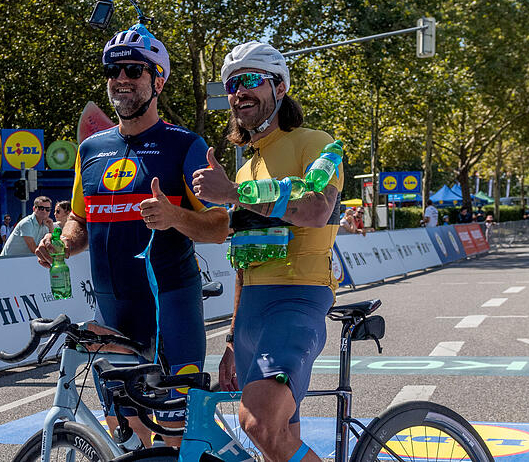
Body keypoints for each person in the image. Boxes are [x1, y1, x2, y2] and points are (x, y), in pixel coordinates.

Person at [34, 23, 228, 447]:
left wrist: (174, 215)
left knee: (177, 436)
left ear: (158, 81)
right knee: (126, 433)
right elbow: (82, 222)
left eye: (134, 71)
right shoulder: (91, 149)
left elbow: (220, 227)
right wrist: (63, 243)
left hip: (171, 306)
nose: (121, 80)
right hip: (114, 310)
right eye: (113, 71)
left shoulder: (185, 145)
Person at [191, 41, 343, 462]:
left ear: (279, 87)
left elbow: (315, 209)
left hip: (297, 299)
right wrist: (229, 341)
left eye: (252, 80)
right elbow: (243, 260)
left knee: (257, 424)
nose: (240, 91)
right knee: (276, 444)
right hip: (252, 313)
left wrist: (234, 194)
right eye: (233, 84)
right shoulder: (245, 164)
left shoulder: (316, 143)